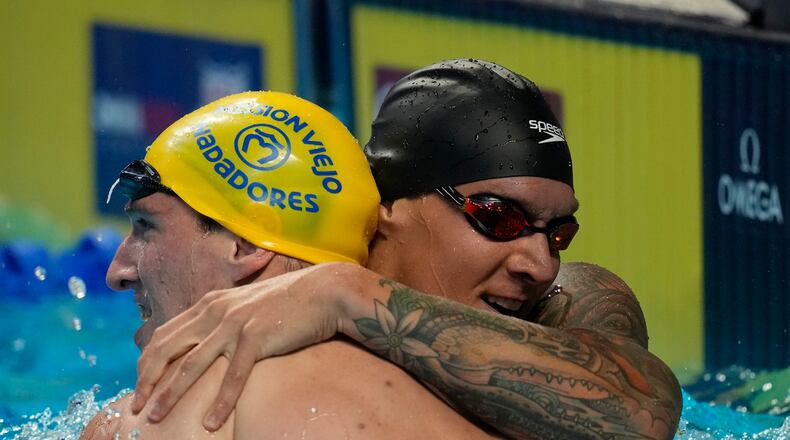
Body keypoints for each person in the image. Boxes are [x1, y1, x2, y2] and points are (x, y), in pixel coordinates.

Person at [130, 59, 682, 439]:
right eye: (499, 217)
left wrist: (347, 294)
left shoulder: (570, 300)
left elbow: (642, 413)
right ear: (389, 204)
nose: (540, 264)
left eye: (557, 233)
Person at [81, 91, 490, 439]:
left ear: (244, 247)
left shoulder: (135, 423)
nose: (117, 272)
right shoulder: (469, 412)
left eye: (145, 227)